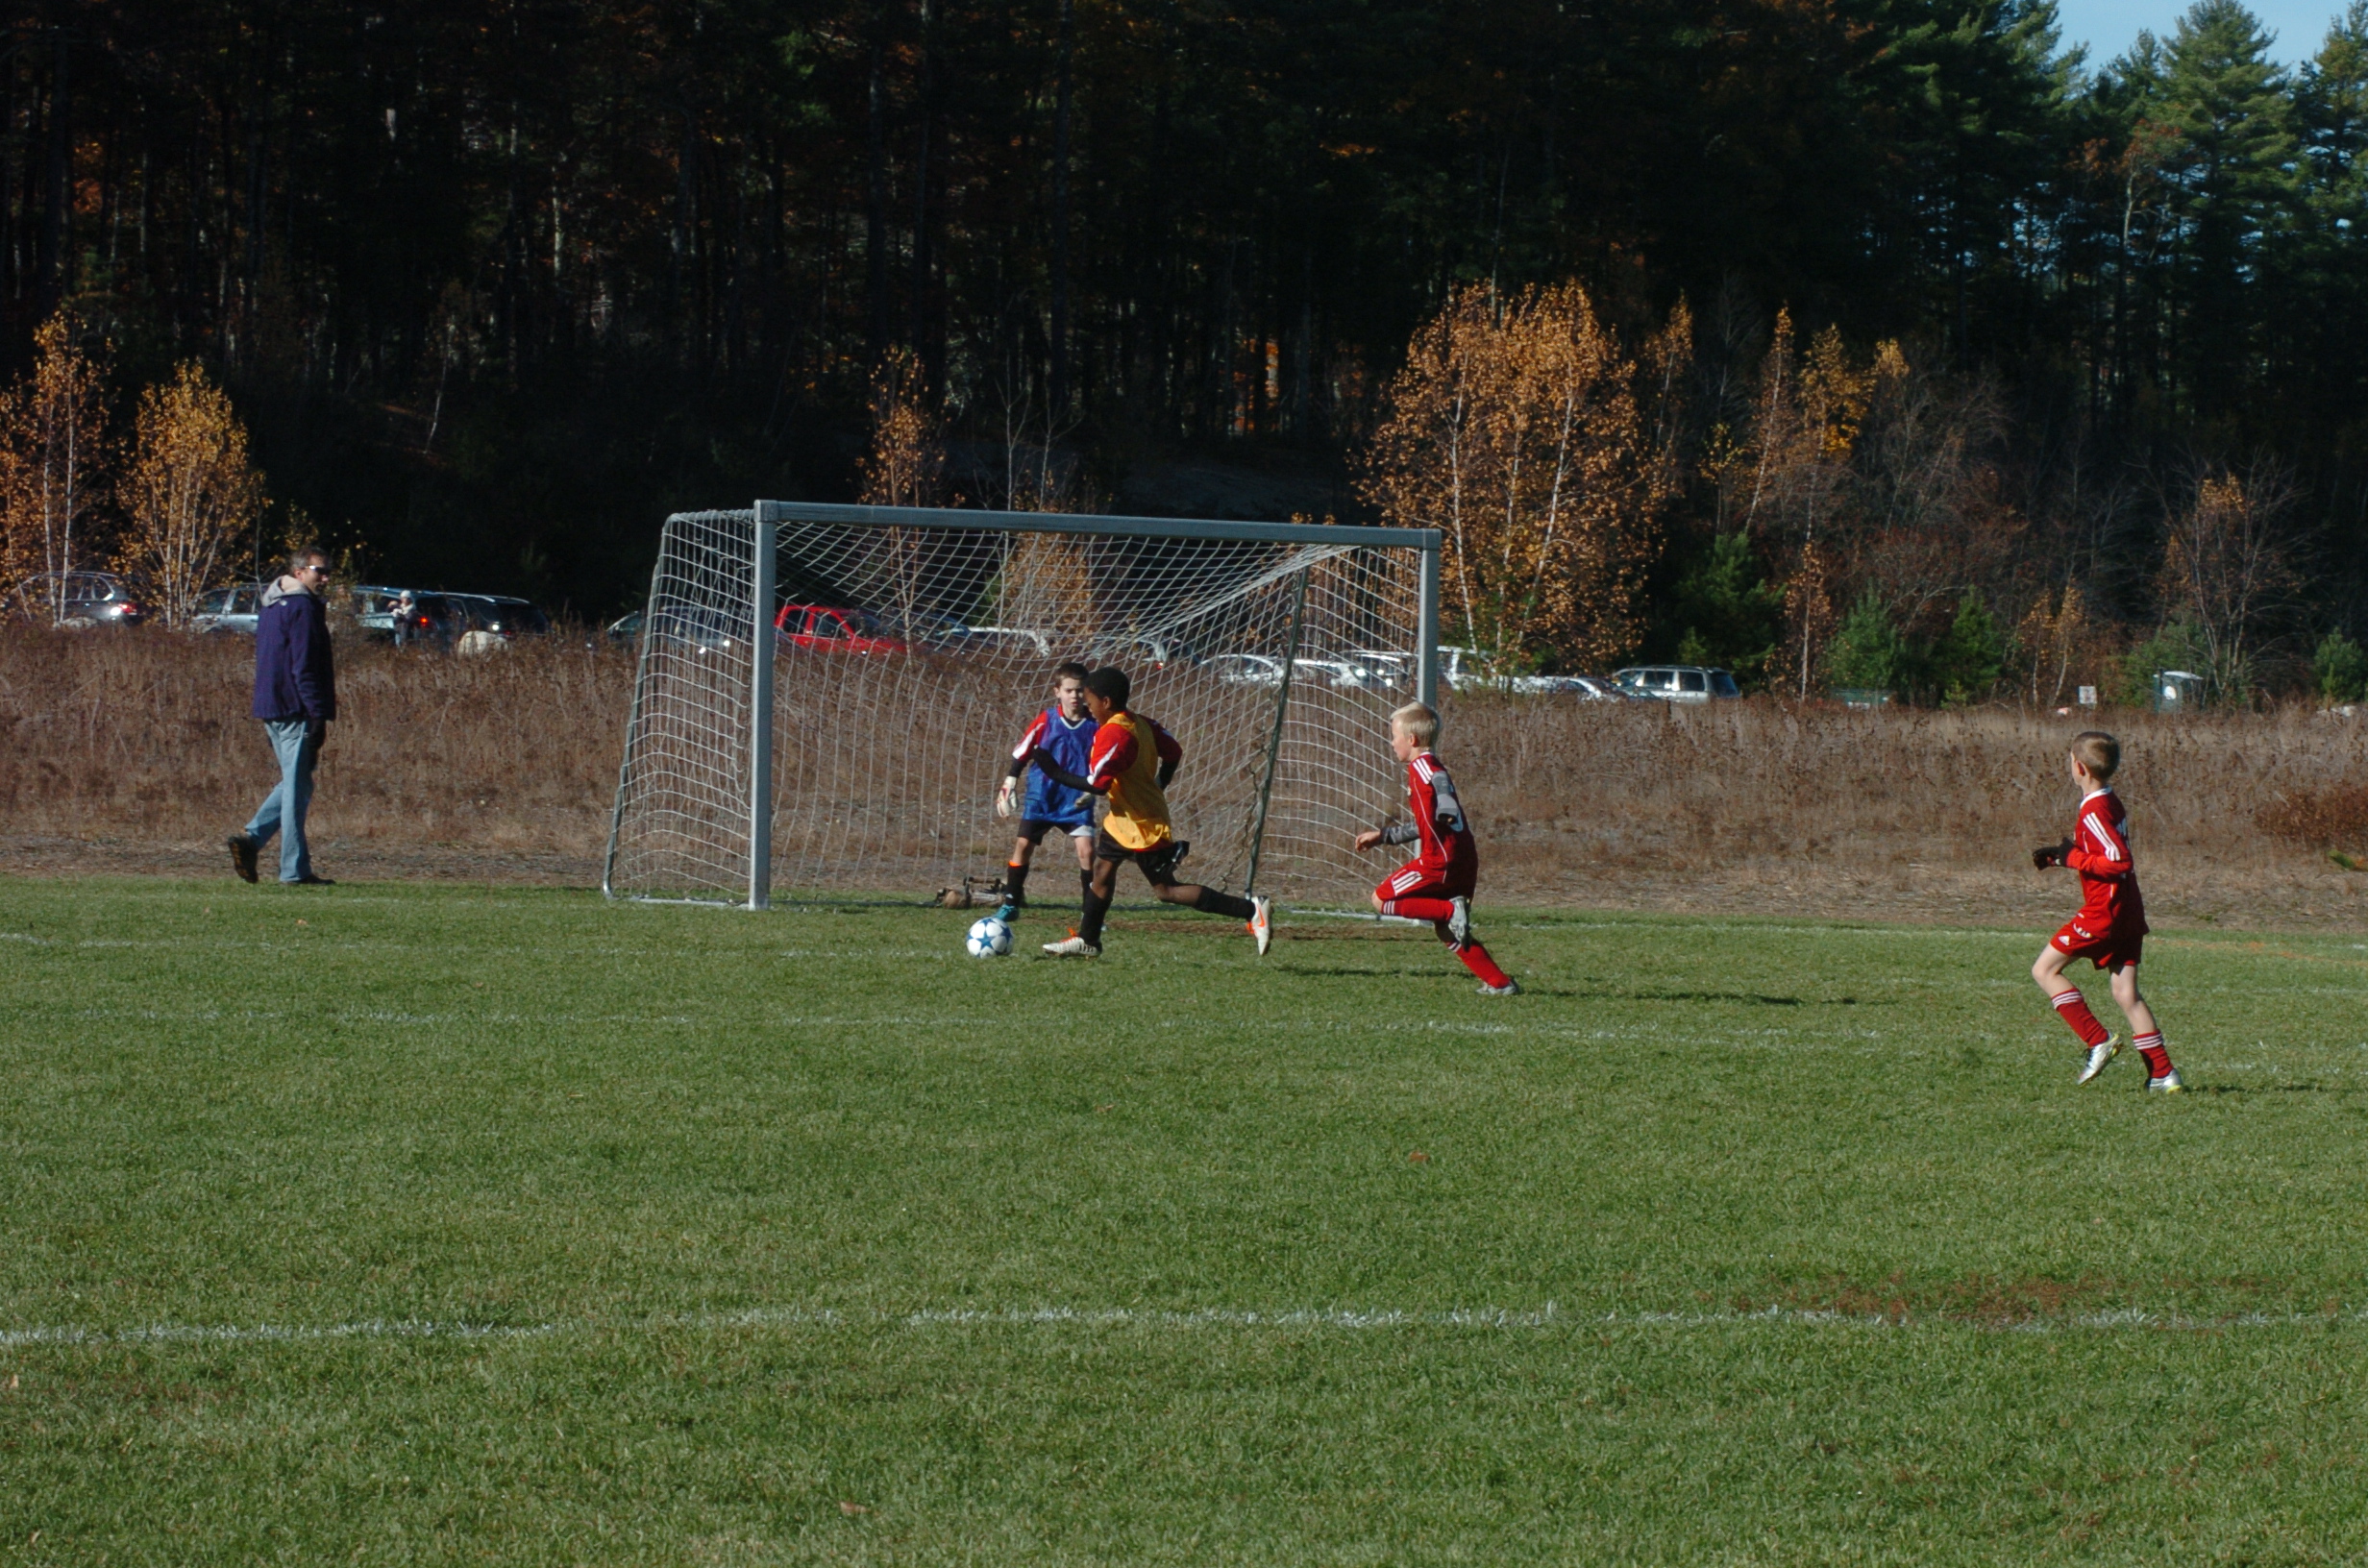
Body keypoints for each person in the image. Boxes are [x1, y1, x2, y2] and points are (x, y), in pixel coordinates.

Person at [1025, 666, 1271, 958]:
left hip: (1142, 824)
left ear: (1105, 702)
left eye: (1090, 702)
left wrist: (1053, 770)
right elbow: (1173, 752)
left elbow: (1098, 785)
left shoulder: (1115, 733)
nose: (1087, 708)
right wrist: (1159, 784)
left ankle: (1251, 909)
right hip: (1122, 819)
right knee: (1101, 873)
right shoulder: (1141, 723)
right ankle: (1088, 940)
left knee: (1166, 890)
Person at [2030, 730, 2179, 1091]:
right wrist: (2062, 858)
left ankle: (2097, 1040)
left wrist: (2072, 858)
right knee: (2126, 994)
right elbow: (2103, 853)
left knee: (2044, 970)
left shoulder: (2093, 809)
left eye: (2070, 760)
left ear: (2079, 767)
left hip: (2105, 912)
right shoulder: (2109, 800)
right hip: (2127, 909)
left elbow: (2118, 861)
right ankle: (2163, 1073)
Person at [1354, 701, 1518, 995]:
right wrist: (1384, 836)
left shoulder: (1423, 766)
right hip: (1463, 857)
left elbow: (1440, 784)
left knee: (1381, 899)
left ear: (1412, 739)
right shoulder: (1426, 767)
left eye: (1394, 736)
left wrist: (1445, 803)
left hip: (1440, 860)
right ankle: (1500, 984)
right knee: (1445, 929)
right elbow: (1426, 823)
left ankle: (1449, 909)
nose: (1391, 743)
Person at [227, 546, 338, 887]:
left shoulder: (273, 604)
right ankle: (294, 870)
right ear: (299, 572)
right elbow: (303, 666)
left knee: (297, 781)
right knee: (295, 790)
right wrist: (317, 713)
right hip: (295, 708)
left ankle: (251, 840)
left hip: (272, 705)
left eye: (328, 571)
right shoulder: (302, 607)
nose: (326, 578)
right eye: (320, 571)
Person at [991, 661, 1098, 923]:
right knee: (1023, 844)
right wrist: (1010, 781)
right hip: (1043, 795)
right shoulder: (1047, 720)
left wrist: (1095, 790)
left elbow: (1102, 761)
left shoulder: (1095, 724)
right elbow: (1023, 750)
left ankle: (1091, 913)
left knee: (1086, 851)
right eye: (1069, 690)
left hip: (1076, 798)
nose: (1075, 696)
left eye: (1080, 690)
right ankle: (1011, 902)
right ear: (1057, 692)